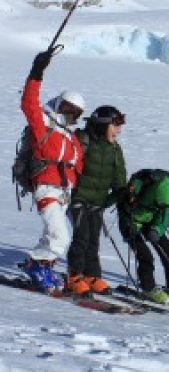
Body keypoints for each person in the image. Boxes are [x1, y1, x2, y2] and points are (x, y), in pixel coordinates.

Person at [20, 49, 85, 292]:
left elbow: (79, 164)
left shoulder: (69, 135)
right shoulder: (44, 125)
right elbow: (28, 102)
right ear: (59, 104)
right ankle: (36, 266)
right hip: (46, 186)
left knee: (53, 235)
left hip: (64, 191)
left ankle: (43, 266)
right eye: (68, 108)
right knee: (61, 237)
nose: (71, 114)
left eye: (76, 112)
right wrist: (37, 71)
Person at [66, 106, 127, 296]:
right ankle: (74, 276)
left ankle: (92, 276)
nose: (119, 130)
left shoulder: (114, 149)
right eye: (115, 125)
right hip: (77, 198)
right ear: (102, 125)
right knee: (81, 237)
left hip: (98, 201)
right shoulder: (83, 141)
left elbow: (119, 178)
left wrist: (124, 193)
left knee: (93, 239)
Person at [118, 169, 169, 305]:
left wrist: (157, 230)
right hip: (131, 222)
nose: (164, 207)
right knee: (145, 256)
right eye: (162, 205)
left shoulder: (166, 198)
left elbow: (163, 219)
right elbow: (122, 206)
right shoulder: (136, 190)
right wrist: (130, 226)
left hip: (150, 223)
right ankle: (148, 288)